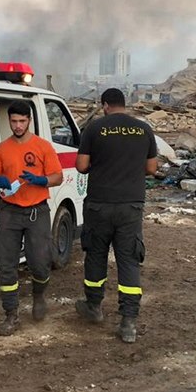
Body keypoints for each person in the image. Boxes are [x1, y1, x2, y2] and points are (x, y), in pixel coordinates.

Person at [74, 88, 157, 343]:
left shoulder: (95, 128)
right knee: (129, 260)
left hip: (99, 205)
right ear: (125, 104)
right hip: (130, 206)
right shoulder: (143, 129)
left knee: (96, 255)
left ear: (105, 105)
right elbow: (152, 168)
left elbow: (81, 166)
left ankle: (94, 307)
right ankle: (129, 322)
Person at [0, 100, 63, 336]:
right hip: (9, 212)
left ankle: (39, 296)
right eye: (13, 121)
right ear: (9, 121)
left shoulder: (43, 147)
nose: (17, 125)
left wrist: (43, 180)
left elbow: (57, 176)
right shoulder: (1, 149)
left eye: (22, 121)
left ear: (29, 120)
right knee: (6, 263)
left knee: (39, 262)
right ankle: (11, 314)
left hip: (37, 211)